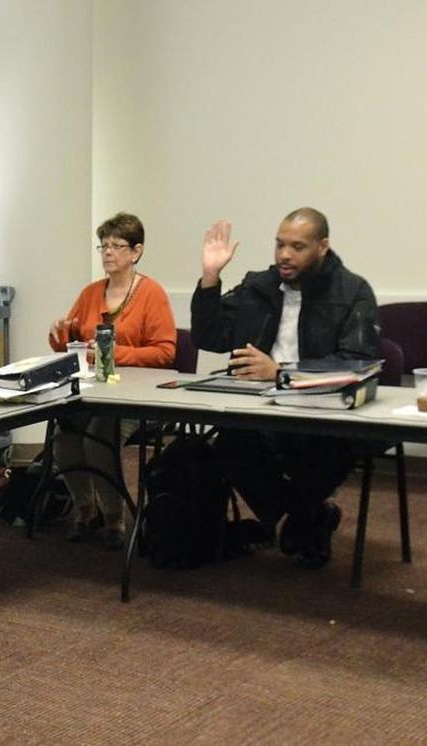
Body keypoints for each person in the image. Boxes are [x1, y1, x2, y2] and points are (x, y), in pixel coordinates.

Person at [191, 209, 379, 567]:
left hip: (320, 411)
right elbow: (209, 336)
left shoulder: (353, 292)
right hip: (257, 405)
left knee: (319, 450)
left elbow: (357, 361)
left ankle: (301, 518)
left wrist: (282, 372)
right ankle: (307, 516)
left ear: (322, 247)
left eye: (297, 247)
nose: (284, 255)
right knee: (229, 444)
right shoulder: (257, 286)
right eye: (279, 245)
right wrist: (210, 278)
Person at [48, 213, 176, 549]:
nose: (107, 253)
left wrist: (119, 353)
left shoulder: (152, 294)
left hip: (134, 395)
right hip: (91, 391)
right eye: (103, 245)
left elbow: (165, 353)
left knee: (97, 440)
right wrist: (59, 335)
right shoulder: (91, 293)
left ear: (136, 252)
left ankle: (114, 518)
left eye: (116, 246)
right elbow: (72, 344)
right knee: (64, 438)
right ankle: (85, 509)